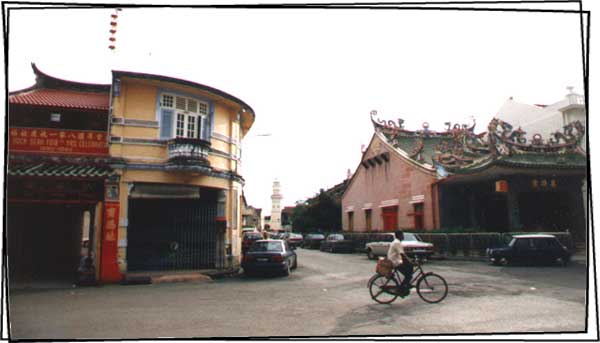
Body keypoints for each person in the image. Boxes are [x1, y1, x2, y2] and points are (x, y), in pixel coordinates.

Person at [387, 230, 414, 296]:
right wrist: (409, 261)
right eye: (402, 235)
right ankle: (401, 289)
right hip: (395, 262)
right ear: (399, 235)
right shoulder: (397, 243)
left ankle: (406, 284)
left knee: (410, 268)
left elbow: (403, 254)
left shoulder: (397, 242)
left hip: (396, 260)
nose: (403, 236)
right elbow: (402, 254)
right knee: (408, 275)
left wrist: (409, 259)